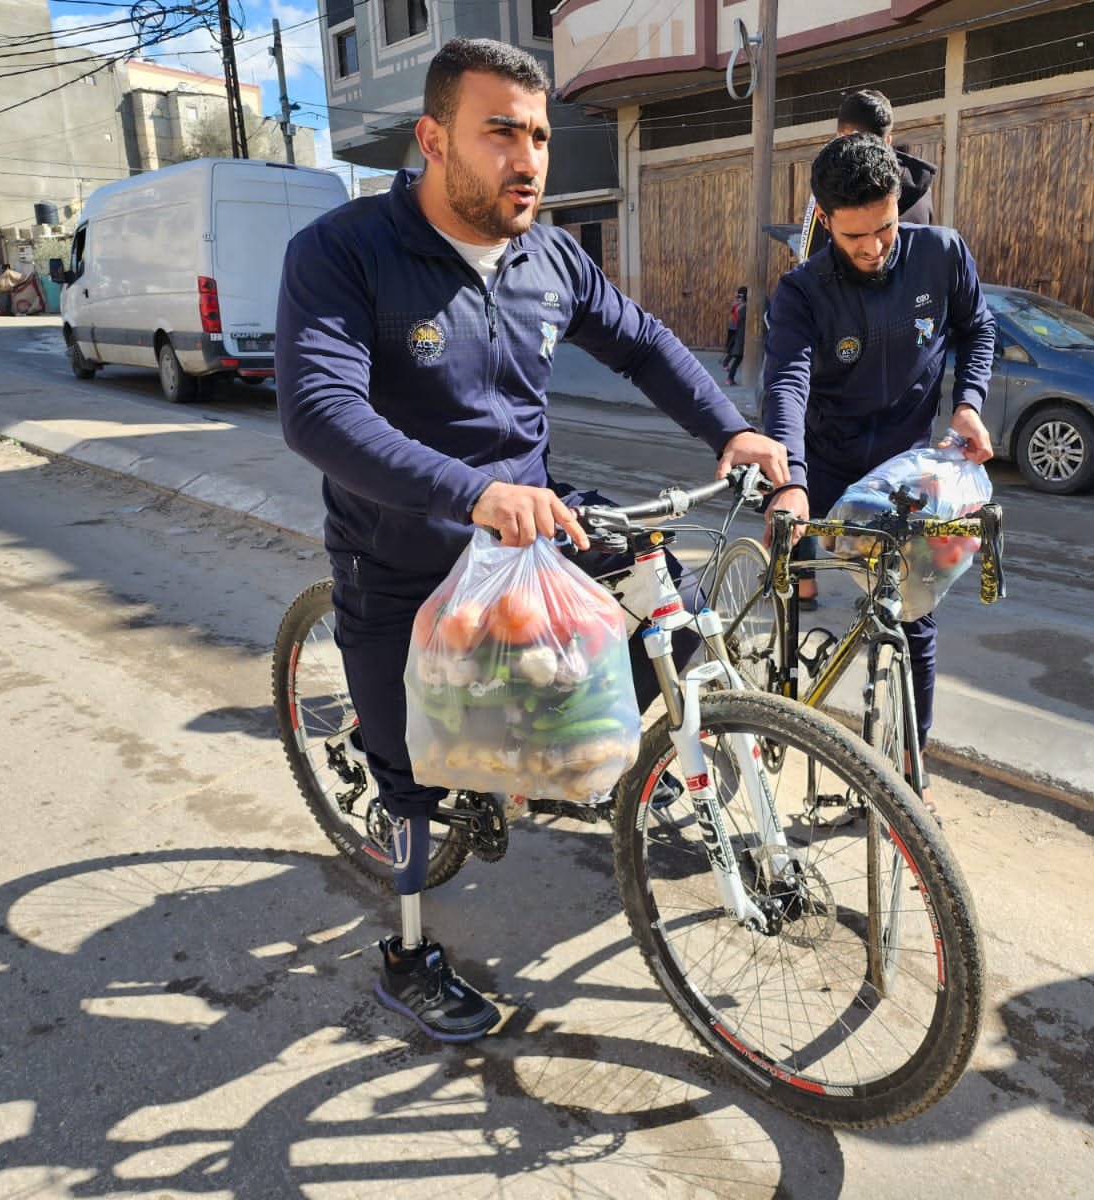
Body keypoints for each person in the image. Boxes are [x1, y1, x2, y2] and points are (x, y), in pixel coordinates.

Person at [275, 38, 787, 1044]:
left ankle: (635, 767)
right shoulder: (341, 253)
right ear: (434, 139)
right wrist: (469, 492)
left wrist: (730, 428)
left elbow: (642, 342)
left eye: (541, 136)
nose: (529, 158)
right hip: (402, 550)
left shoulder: (549, 256)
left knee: (669, 621)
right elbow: (317, 412)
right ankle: (410, 952)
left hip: (535, 519)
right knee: (410, 772)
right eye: (500, 130)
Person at [762, 133, 995, 810]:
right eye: (856, 234)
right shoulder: (802, 290)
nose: (874, 247)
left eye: (886, 228)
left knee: (911, 621)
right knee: (792, 576)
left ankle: (906, 781)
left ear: (900, 208)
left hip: (908, 467)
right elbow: (787, 384)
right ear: (825, 219)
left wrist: (969, 405)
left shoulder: (941, 253)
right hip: (827, 462)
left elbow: (977, 328)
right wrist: (790, 479)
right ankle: (779, 697)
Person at [800, 89, 937, 261]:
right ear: (888, 141)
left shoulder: (833, 185)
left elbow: (812, 259)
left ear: (842, 137)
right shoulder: (922, 188)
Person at [720, 286, 747, 385]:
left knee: (733, 351)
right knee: (736, 354)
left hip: (737, 331)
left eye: (740, 296)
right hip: (737, 331)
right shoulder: (741, 307)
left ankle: (726, 367)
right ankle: (729, 376)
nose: (738, 298)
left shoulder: (740, 306)